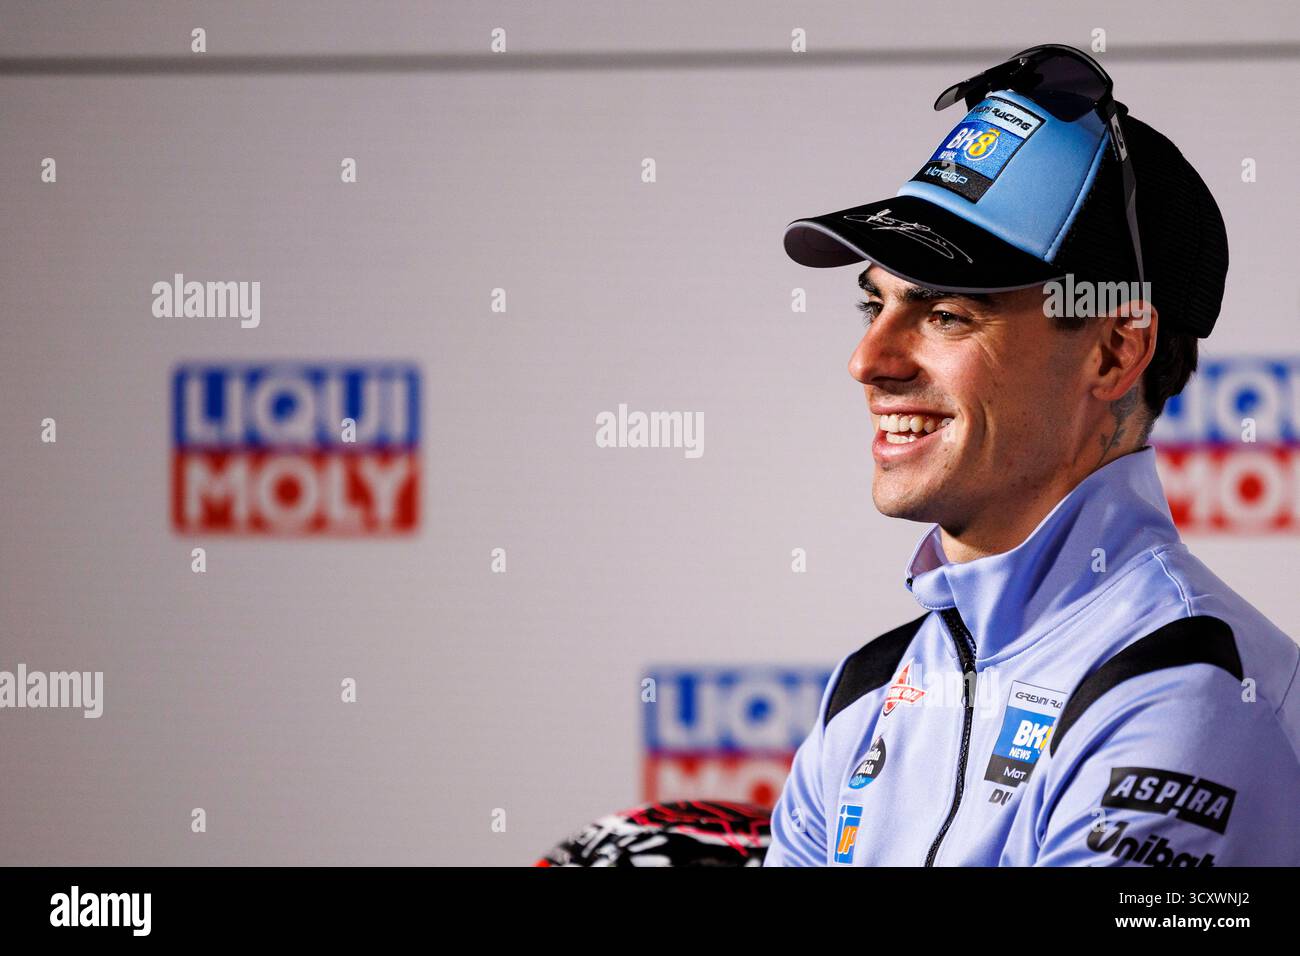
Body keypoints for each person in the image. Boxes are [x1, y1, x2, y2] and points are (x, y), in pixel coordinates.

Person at [766, 44, 1300, 866]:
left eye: (945, 314)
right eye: (873, 305)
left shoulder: (1188, 688)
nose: (870, 360)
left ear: (1115, 352)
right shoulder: (866, 693)